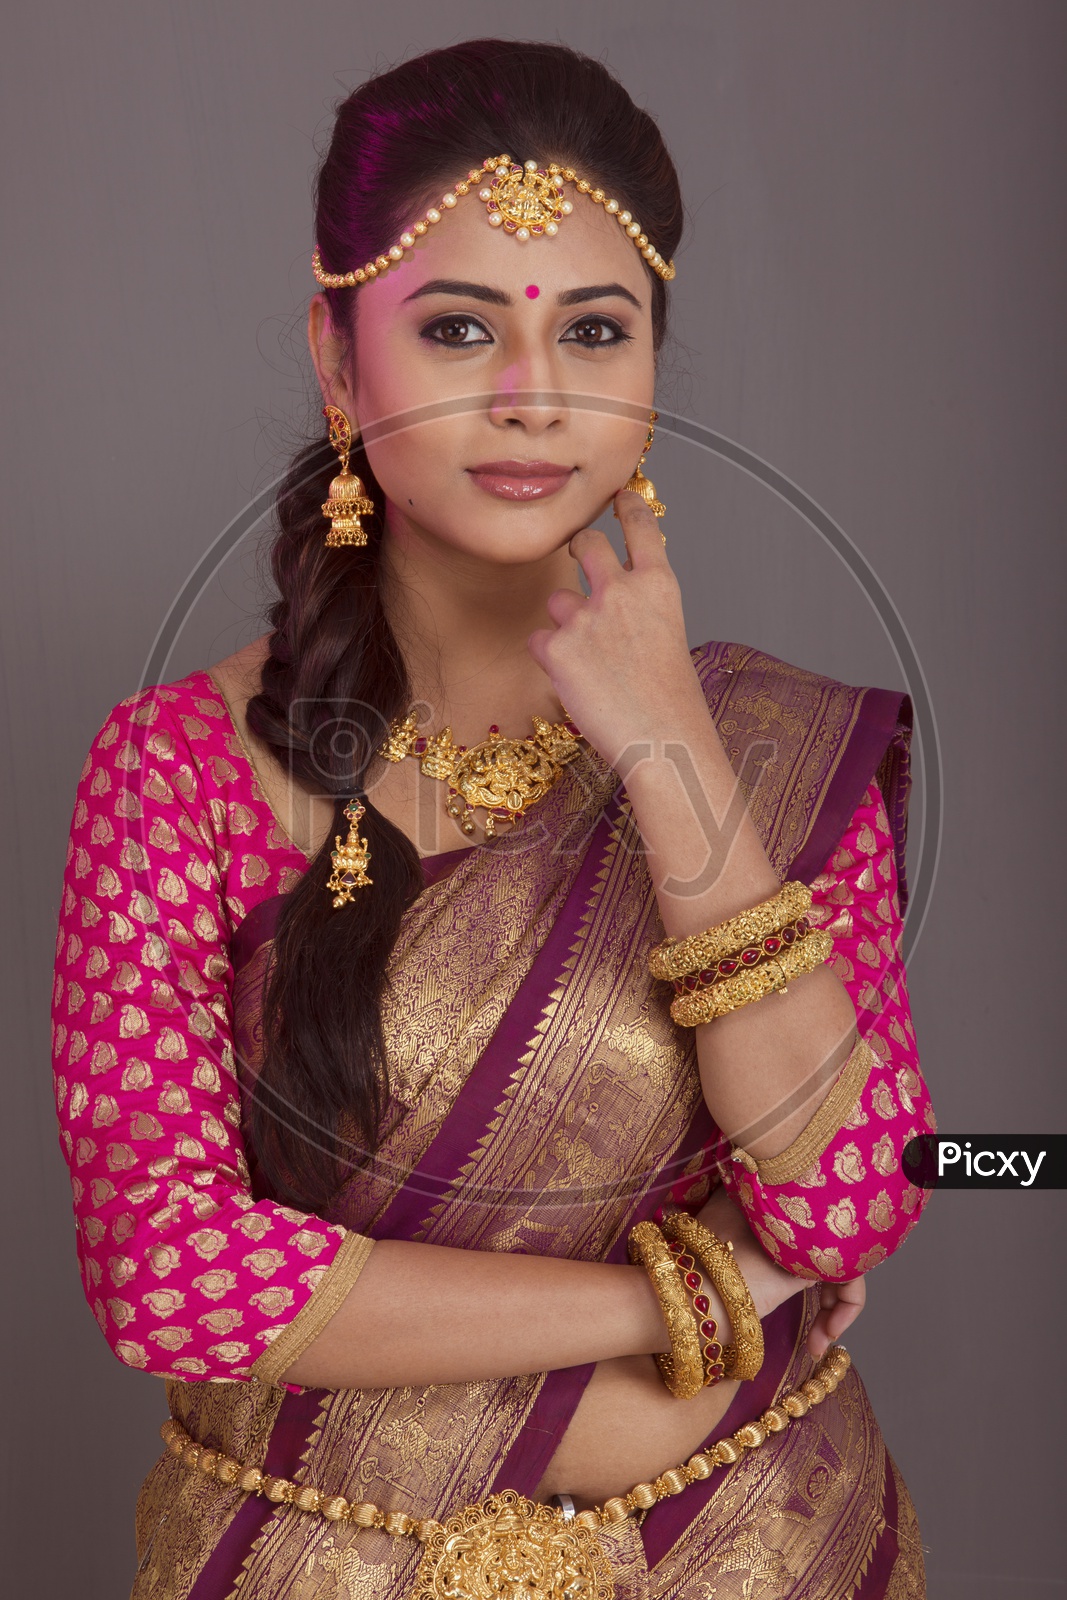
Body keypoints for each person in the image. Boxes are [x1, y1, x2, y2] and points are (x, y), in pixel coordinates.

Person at [52, 38, 934, 1600]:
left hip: (752, 1549)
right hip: (311, 1567)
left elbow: (871, 1181)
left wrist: (667, 744)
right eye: (457, 329)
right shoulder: (178, 772)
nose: (535, 400)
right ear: (339, 363)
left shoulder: (775, 756)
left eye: (596, 332)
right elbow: (172, 1278)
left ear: (657, 370)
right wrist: (698, 1290)